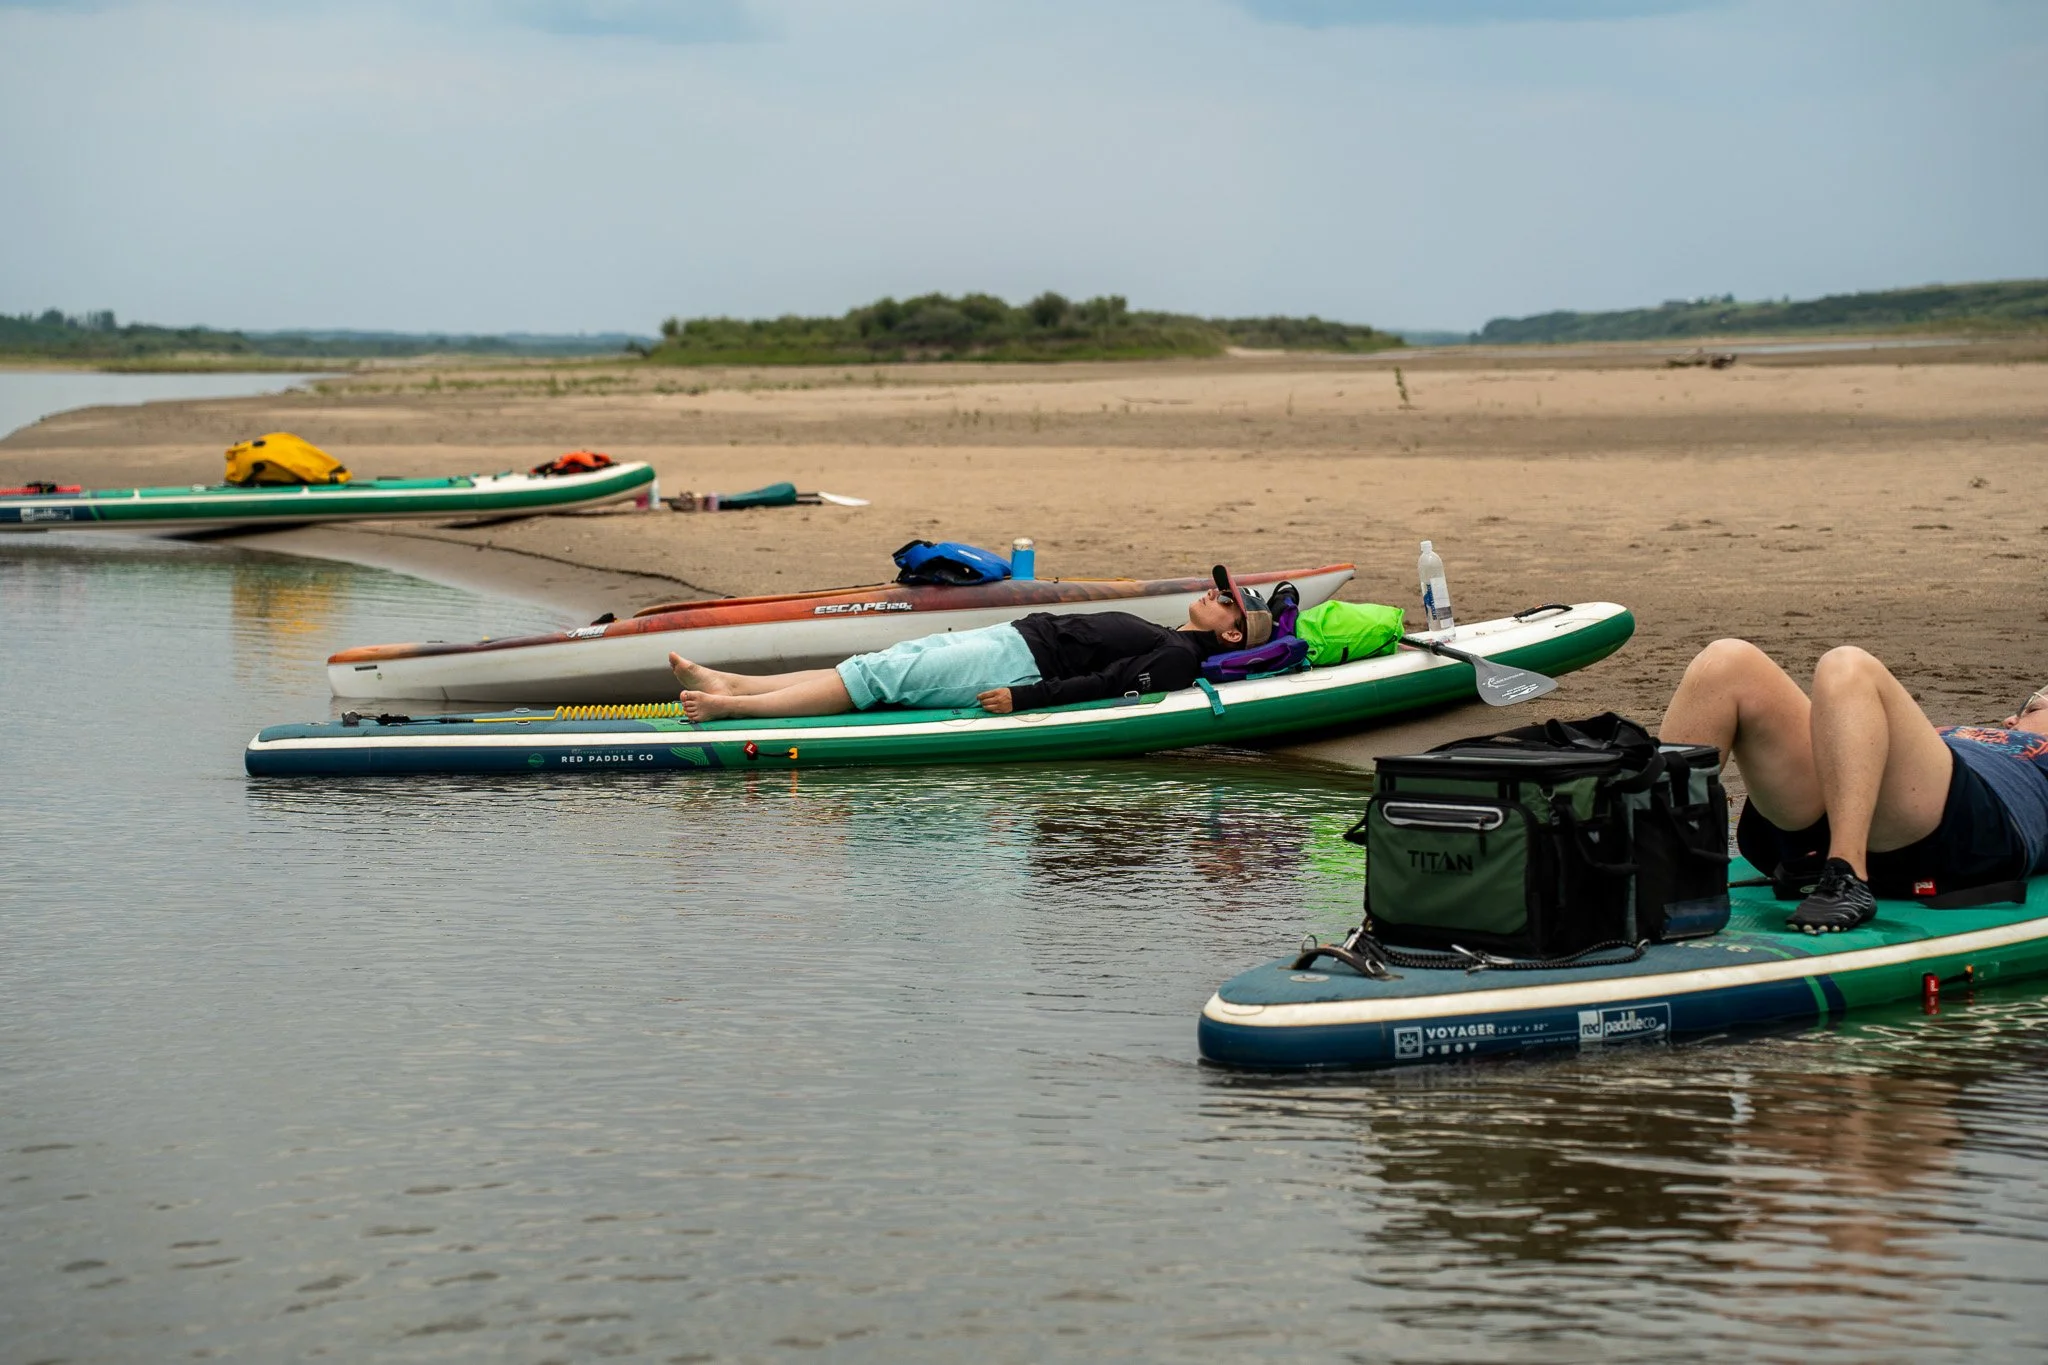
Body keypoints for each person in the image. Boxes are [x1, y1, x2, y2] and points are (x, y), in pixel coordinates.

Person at [1659, 639, 2048, 932]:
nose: (2033, 706)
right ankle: (1654, 870)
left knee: (1847, 666)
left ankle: (1846, 876)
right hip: (1828, 822)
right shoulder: (1953, 738)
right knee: (1727, 661)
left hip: (1965, 835)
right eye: (2034, 702)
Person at [668, 565, 1276, 725]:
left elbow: (1109, 686)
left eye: (1224, 600)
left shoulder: (1177, 656)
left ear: (1229, 632)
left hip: (1019, 663)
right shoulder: (1174, 636)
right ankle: (736, 683)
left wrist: (1027, 698)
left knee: (881, 680)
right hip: (1015, 639)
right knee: (881, 664)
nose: (1212, 592)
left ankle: (736, 711)